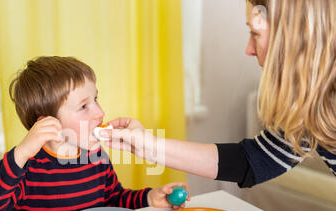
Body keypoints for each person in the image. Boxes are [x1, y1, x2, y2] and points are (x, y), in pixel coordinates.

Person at [99, 0, 335, 188]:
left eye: (255, 34)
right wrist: (147, 146)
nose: (249, 49)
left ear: (296, 35)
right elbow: (253, 162)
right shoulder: (310, 100)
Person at [0, 56, 189, 211]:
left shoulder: (95, 156)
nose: (100, 112)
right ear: (47, 123)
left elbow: (112, 201)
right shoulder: (24, 167)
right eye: (84, 106)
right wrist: (21, 153)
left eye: (96, 99)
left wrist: (148, 198)